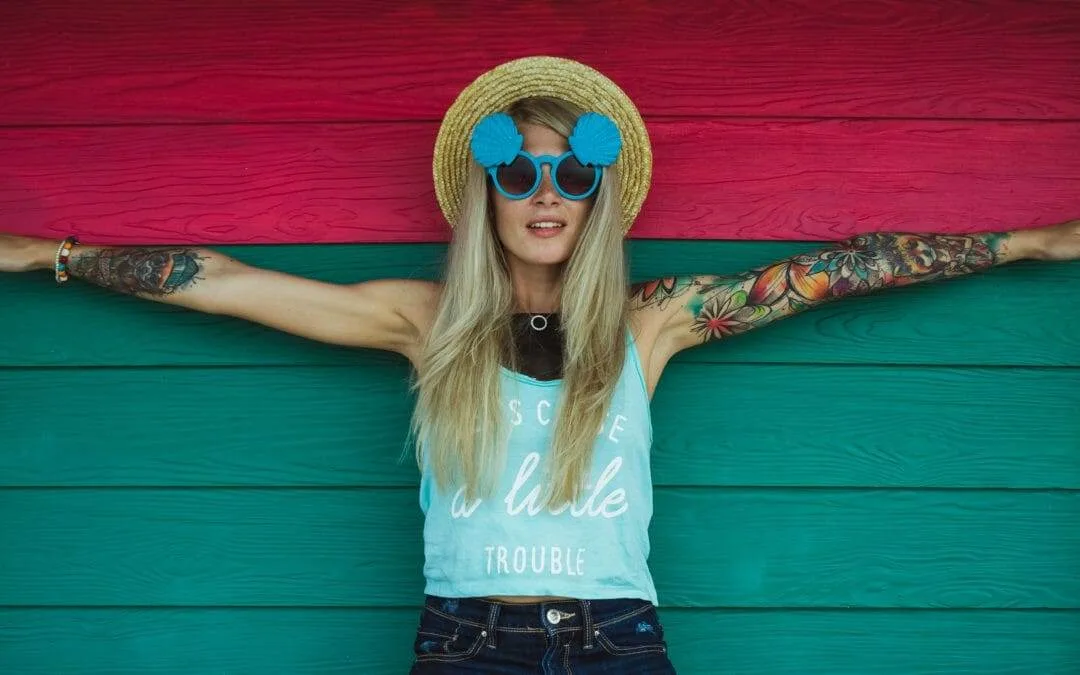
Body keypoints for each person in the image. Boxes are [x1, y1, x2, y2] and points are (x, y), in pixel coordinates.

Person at [0, 56, 1077, 674]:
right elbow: (220, 280)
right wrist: (49, 256)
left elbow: (838, 274)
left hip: (619, 643)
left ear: (599, 191)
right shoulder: (425, 326)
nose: (546, 188)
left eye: (571, 168)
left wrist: (1027, 243)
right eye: (515, 169)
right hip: (461, 643)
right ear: (488, 193)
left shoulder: (652, 324)